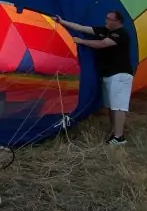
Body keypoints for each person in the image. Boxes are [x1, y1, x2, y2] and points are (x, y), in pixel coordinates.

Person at [54, 11, 133, 146]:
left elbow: (102, 44)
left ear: (118, 22)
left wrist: (81, 41)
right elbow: (81, 28)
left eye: (109, 19)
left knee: (119, 106)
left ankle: (119, 137)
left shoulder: (121, 33)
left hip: (120, 75)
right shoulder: (103, 30)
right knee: (111, 106)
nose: (106, 20)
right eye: (106, 17)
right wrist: (62, 22)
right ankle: (114, 132)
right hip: (109, 74)